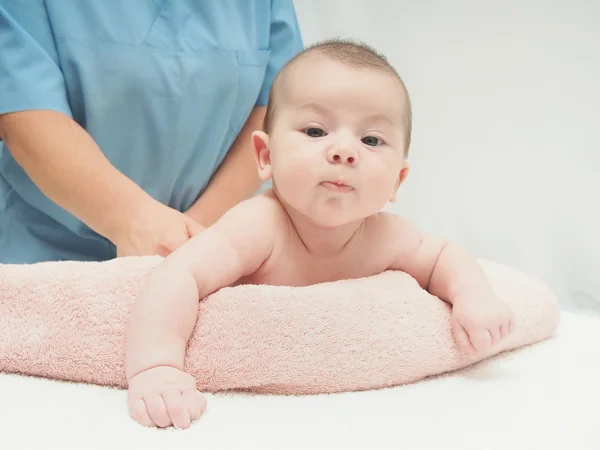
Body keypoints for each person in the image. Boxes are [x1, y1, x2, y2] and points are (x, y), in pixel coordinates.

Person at [124, 39, 516, 429]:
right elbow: (178, 274)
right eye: (315, 131)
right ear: (265, 156)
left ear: (397, 179)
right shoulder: (258, 226)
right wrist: (157, 366)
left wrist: (473, 295)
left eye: (371, 139)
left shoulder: (387, 236)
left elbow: (442, 257)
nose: (344, 151)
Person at [0, 0, 303, 264]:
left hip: (201, 249)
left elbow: (274, 109)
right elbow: (24, 110)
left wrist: (192, 234)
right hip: (47, 256)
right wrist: (133, 220)